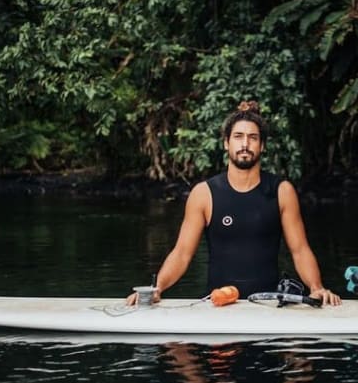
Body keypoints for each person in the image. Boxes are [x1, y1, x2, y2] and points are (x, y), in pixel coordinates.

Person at [126, 101, 341, 306]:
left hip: (268, 307)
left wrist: (316, 288)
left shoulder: (282, 191)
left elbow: (300, 250)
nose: (245, 144)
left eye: (253, 138)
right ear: (227, 143)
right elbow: (182, 253)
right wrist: (158, 288)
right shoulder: (204, 194)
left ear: (262, 145)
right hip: (219, 307)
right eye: (238, 137)